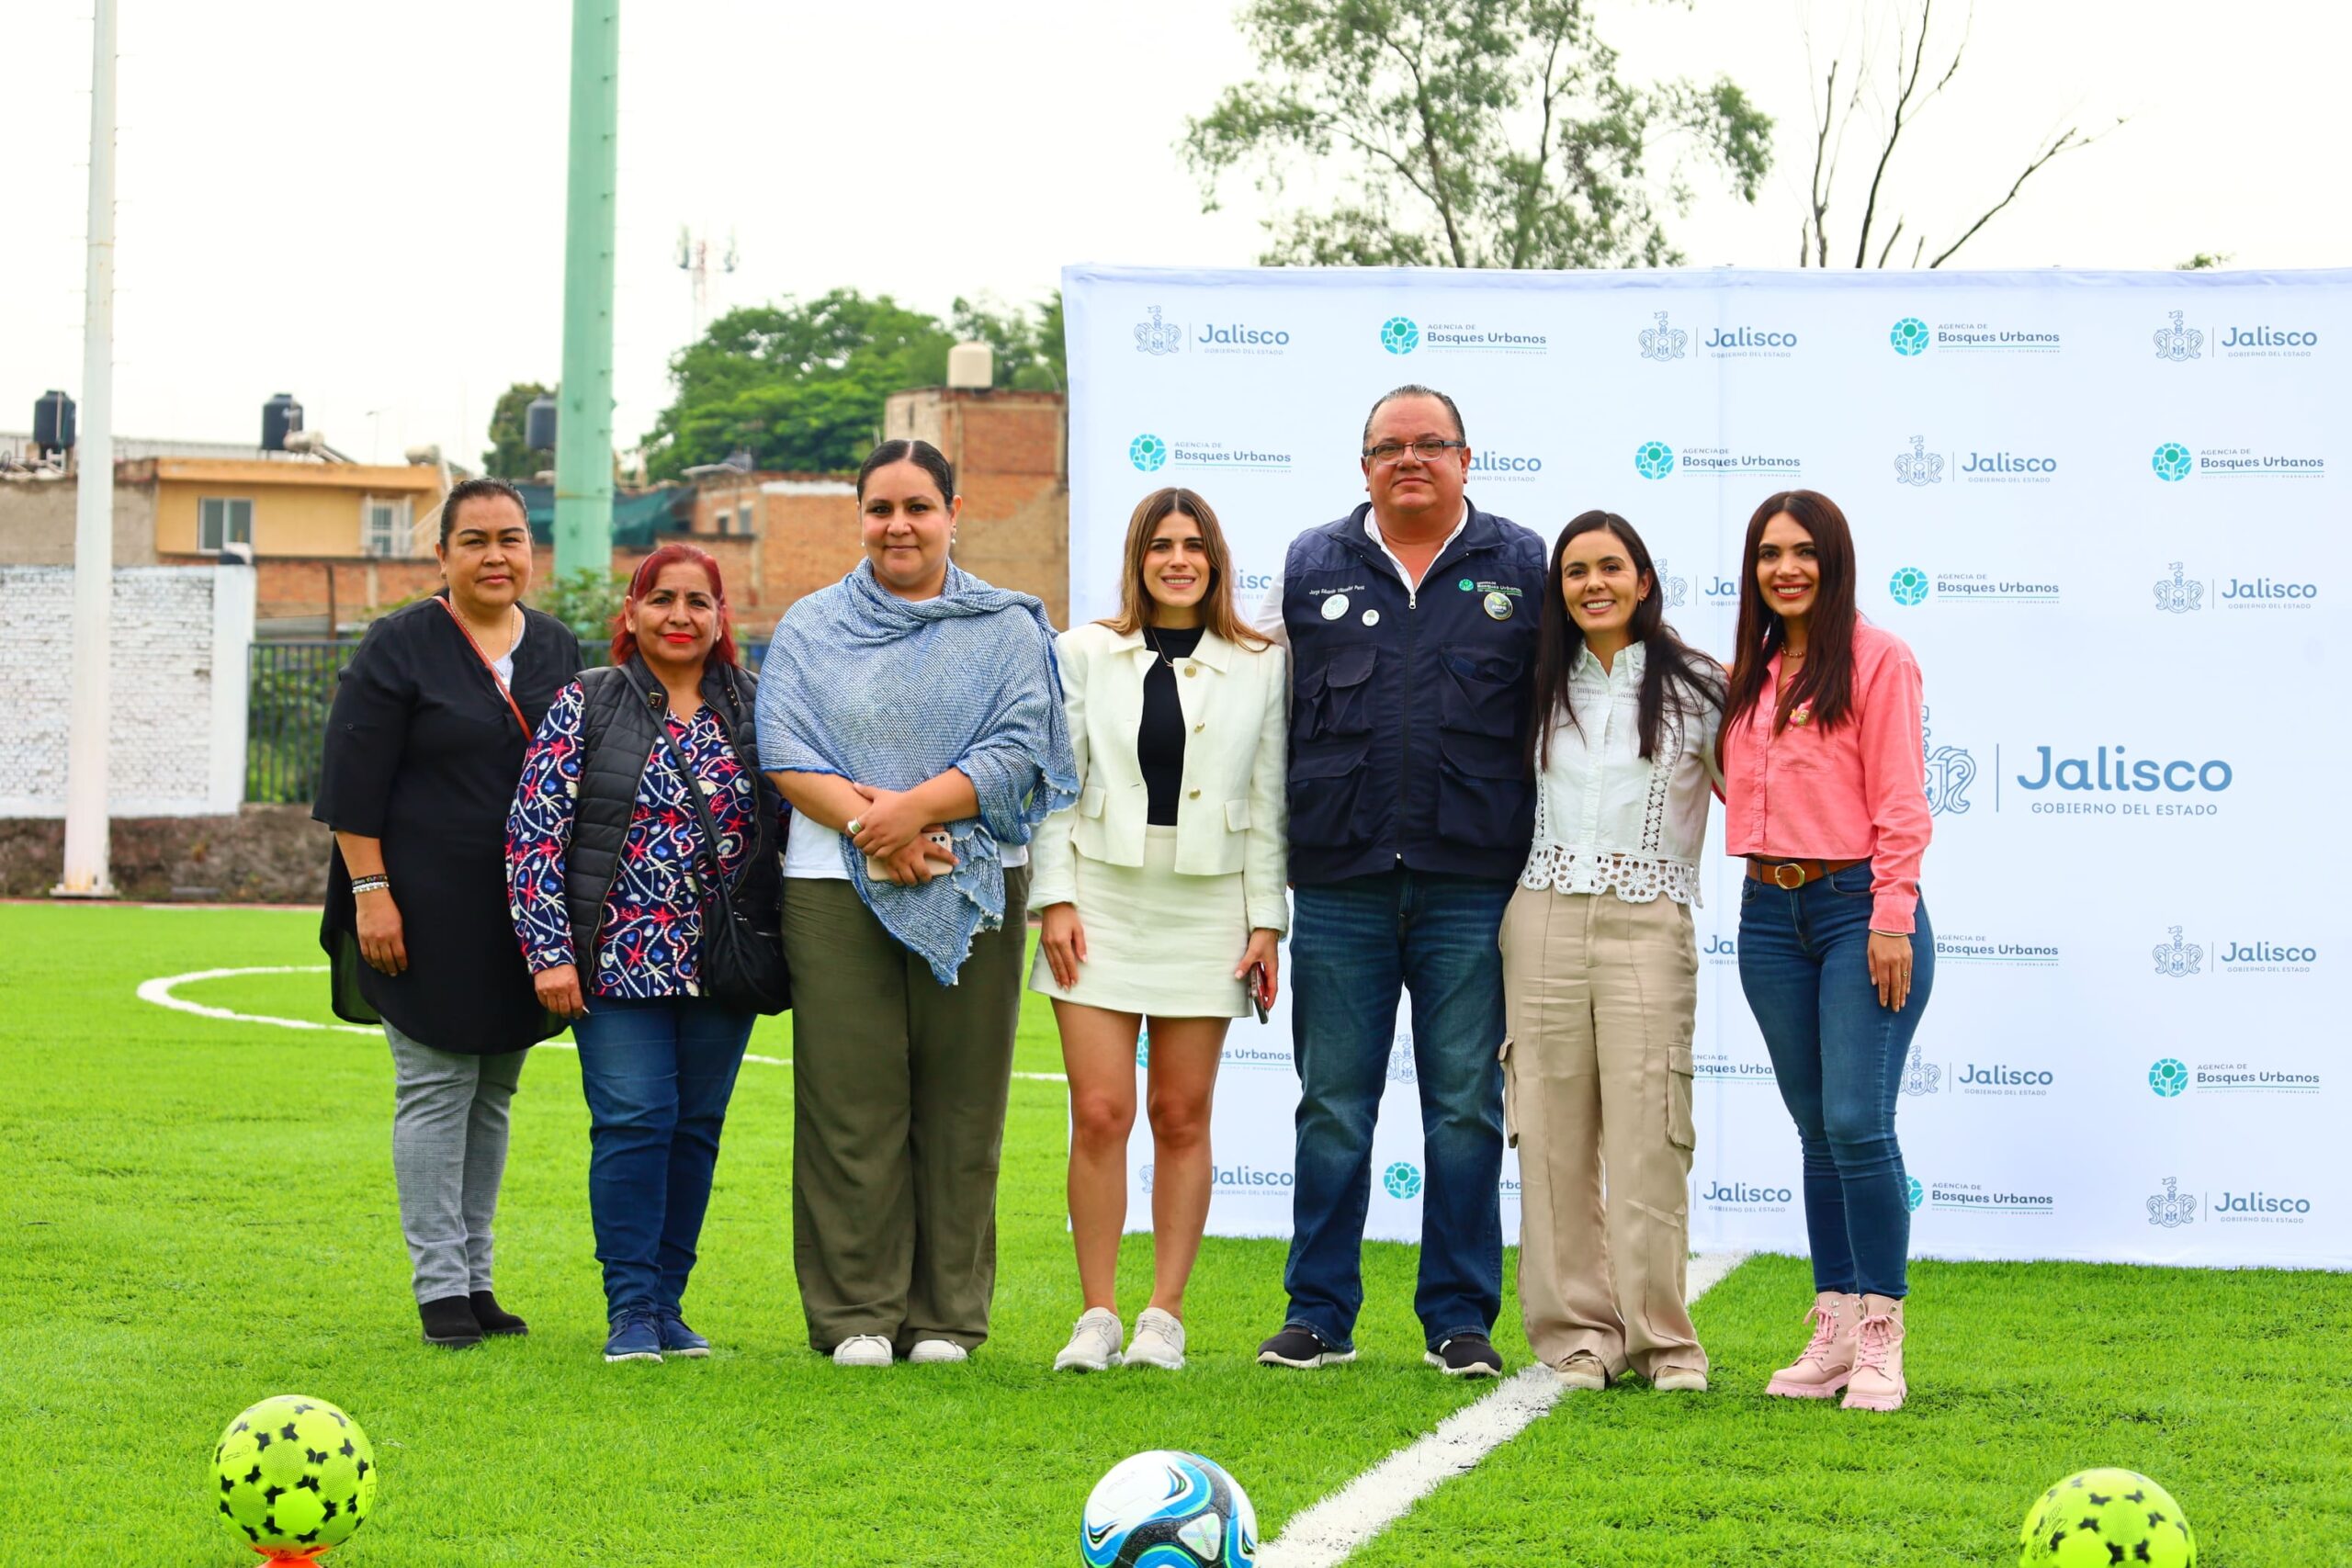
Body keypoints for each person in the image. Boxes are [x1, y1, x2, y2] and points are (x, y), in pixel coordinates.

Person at [758, 437, 1078, 1369]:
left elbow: (1024, 749)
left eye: (917, 507)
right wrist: (879, 831)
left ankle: (945, 1320)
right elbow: (785, 749)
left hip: (974, 880)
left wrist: (910, 815)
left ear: (951, 512)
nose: (898, 526)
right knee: (848, 1106)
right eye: (880, 508)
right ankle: (856, 1313)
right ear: (859, 516)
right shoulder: (812, 625)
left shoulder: (1010, 627)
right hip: (831, 885)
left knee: (961, 1104)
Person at [1251, 385, 1547, 1378]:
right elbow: (1251, 707)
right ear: (1363, 463)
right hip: (1340, 886)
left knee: (1464, 1106)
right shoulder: (1307, 568)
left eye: (1430, 445)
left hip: (1474, 885)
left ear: (1468, 458)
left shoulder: (1524, 566)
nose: (1408, 459)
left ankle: (1459, 1318)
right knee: (1333, 1104)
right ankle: (1317, 1312)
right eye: (1388, 447)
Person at [314, 476, 582, 1348]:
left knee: (495, 1091)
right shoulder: (401, 644)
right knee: (435, 1087)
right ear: (443, 554)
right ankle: (439, 1289)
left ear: (530, 550)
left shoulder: (554, 647)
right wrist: (370, 893)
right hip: (414, 905)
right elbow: (354, 784)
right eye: (475, 540)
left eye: (511, 538)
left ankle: (477, 1276)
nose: (495, 555)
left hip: (519, 915)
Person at [1032, 487, 1288, 1373]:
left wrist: (1267, 921)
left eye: (1194, 545)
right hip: (1097, 894)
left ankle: (1163, 1316)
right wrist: (1054, 897)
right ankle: (1097, 1313)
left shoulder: (1261, 662)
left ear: (1215, 560)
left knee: (1181, 1112)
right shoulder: (1084, 652)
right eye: (1160, 545)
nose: (1178, 559)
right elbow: (1053, 784)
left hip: (1210, 902)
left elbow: (1268, 798)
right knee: (1100, 1111)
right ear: (1138, 559)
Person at [504, 544, 781, 1364]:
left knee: (695, 1129)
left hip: (722, 963)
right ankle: (629, 1310)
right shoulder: (586, 701)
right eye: (663, 599)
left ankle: (668, 1304)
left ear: (721, 618)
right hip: (614, 961)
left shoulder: (758, 708)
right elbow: (533, 833)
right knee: (632, 1123)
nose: (681, 616)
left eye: (699, 601)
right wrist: (547, 951)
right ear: (631, 612)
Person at [1501, 512, 1726, 1393]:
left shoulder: (1703, 686)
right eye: (1574, 571)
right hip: (1542, 915)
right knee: (1550, 1134)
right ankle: (1577, 1337)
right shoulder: (1532, 682)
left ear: (1642, 578)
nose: (1593, 583)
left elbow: (1766, 783)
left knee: (1649, 1137)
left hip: (1650, 919)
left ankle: (1665, 1342)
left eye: (1610, 567)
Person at [1721, 489, 1934, 1414]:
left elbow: (1899, 802)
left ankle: (1883, 1333)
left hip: (1859, 914)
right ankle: (1835, 1329)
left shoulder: (1877, 659)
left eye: (1802, 551)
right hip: (1768, 915)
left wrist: (1891, 916)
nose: (1785, 568)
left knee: (1857, 1121)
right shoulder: (1752, 669)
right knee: (1816, 1129)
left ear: (1833, 560)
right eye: (1769, 553)